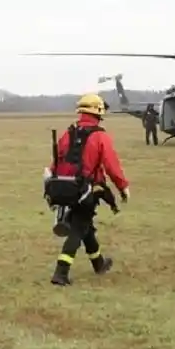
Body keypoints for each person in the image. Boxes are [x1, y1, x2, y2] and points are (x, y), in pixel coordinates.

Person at [48, 94, 130, 286]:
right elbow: (112, 165)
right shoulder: (100, 135)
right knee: (78, 228)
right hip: (86, 190)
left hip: (64, 187)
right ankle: (61, 272)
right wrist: (123, 187)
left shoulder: (68, 133)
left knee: (86, 227)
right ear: (99, 111)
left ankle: (99, 263)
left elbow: (56, 161)